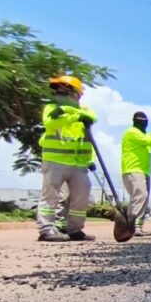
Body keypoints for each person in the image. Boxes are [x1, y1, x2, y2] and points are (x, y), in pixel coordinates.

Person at [36, 75, 97, 242]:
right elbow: (50, 123)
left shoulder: (85, 111)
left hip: (79, 163)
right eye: (57, 92)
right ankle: (46, 230)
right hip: (55, 160)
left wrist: (68, 112)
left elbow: (92, 119)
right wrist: (72, 115)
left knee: (81, 197)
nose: (59, 95)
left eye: (63, 93)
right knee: (51, 196)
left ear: (76, 95)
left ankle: (75, 229)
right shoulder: (51, 108)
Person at [121, 111, 151, 236]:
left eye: (143, 121)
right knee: (141, 195)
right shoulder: (132, 132)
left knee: (138, 198)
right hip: (133, 170)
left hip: (144, 172)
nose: (142, 123)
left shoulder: (145, 136)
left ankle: (132, 226)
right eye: (140, 121)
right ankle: (135, 227)